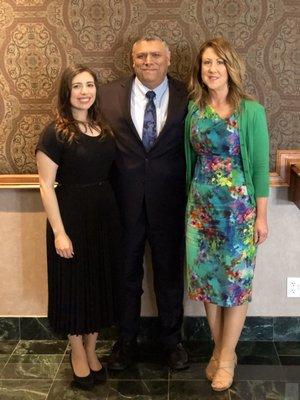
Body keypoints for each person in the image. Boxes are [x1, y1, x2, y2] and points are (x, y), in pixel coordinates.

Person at [99, 36, 189, 370]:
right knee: (125, 276)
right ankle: (125, 342)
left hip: (170, 202)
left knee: (169, 274)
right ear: (132, 60)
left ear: (167, 59)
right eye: (140, 56)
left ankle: (172, 341)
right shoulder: (107, 95)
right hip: (123, 203)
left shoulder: (188, 96)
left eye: (154, 55)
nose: (147, 61)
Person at [185, 37, 269, 391]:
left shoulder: (251, 111)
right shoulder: (193, 109)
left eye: (219, 62)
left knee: (234, 286)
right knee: (208, 285)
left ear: (230, 67)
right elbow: (189, 161)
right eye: (206, 63)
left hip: (238, 212)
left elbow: (262, 167)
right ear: (200, 71)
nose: (213, 69)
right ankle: (219, 352)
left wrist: (262, 217)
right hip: (201, 212)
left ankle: (227, 356)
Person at [36, 65, 120, 390]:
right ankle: (76, 352)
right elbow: (45, 185)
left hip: (103, 219)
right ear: (66, 93)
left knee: (98, 286)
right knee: (73, 287)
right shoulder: (55, 132)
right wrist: (59, 231)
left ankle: (91, 347)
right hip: (69, 219)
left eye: (89, 85)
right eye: (76, 86)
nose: (84, 91)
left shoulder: (103, 128)